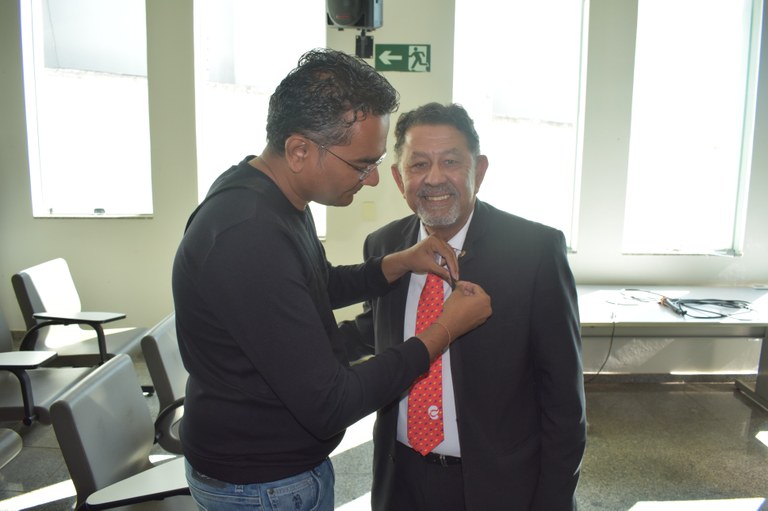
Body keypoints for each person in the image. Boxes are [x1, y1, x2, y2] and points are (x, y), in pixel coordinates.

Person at [171, 50, 492, 511]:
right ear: (300, 151)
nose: (374, 180)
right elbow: (332, 403)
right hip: (260, 482)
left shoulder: (273, 194)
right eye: (362, 164)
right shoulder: (249, 236)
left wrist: (397, 263)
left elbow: (315, 284)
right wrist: (444, 329)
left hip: (274, 465)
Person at [340, 102, 587, 510]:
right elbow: (379, 327)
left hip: (498, 486)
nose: (435, 178)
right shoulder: (384, 247)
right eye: (419, 164)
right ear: (399, 178)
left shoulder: (534, 251)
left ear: (480, 171)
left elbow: (563, 400)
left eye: (451, 162)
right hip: (400, 481)